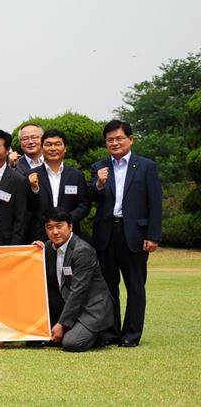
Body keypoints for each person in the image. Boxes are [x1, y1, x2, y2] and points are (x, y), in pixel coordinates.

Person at [89, 119, 162, 347]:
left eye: (119, 138)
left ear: (130, 139)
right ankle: (110, 332)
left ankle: (131, 334)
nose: (114, 143)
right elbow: (91, 197)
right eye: (110, 139)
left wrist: (153, 235)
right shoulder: (99, 167)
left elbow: (155, 203)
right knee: (108, 286)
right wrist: (99, 183)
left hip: (135, 235)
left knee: (135, 286)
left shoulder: (146, 166)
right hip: (106, 234)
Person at [31, 207, 120, 352]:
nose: (55, 232)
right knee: (36, 338)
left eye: (59, 226)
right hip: (67, 304)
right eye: (49, 227)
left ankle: (101, 334)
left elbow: (78, 292)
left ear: (70, 226)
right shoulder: (48, 248)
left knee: (71, 343)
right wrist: (34, 252)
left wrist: (61, 324)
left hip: (90, 308)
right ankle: (71, 327)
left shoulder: (82, 251)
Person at [28, 129, 90, 242]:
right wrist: (33, 188)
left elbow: (84, 204)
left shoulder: (76, 175)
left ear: (65, 148)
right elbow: (26, 207)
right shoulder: (30, 175)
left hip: (70, 234)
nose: (53, 148)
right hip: (39, 237)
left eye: (57, 144)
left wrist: (66, 221)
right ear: (42, 148)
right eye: (48, 144)